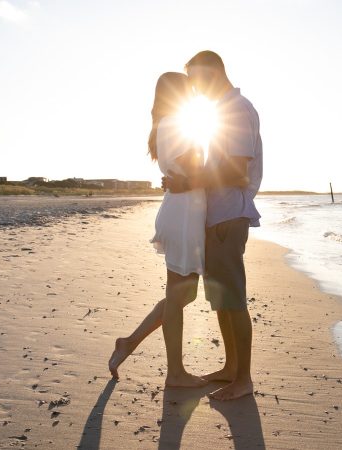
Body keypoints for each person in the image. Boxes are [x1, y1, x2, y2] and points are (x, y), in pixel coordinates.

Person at [164, 50, 263, 401]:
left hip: (228, 217)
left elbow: (235, 171)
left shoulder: (237, 110)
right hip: (217, 217)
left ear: (211, 73)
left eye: (194, 79)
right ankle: (231, 367)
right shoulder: (222, 111)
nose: (192, 88)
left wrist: (187, 181)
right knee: (222, 300)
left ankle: (244, 379)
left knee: (233, 301)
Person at [108, 72, 207, 388]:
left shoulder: (168, 124)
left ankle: (129, 343)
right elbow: (198, 170)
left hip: (182, 212)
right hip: (182, 217)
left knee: (183, 293)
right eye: (188, 89)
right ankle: (175, 373)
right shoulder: (174, 125)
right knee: (179, 295)